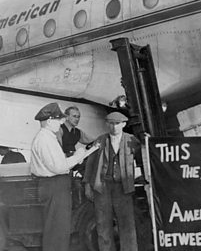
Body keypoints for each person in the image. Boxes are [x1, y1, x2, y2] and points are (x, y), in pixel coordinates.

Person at [30, 102, 86, 251]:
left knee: (56, 228)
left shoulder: (47, 137)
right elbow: (59, 167)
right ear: (49, 121)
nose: (62, 122)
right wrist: (79, 155)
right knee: (57, 229)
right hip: (55, 185)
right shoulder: (46, 139)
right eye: (58, 119)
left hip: (53, 185)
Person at [83, 112, 140, 251]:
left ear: (124, 124)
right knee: (103, 226)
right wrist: (87, 186)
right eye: (111, 124)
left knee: (127, 226)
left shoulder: (132, 140)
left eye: (117, 124)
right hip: (102, 188)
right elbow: (90, 164)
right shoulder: (100, 140)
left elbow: (143, 158)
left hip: (123, 188)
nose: (114, 127)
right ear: (107, 124)